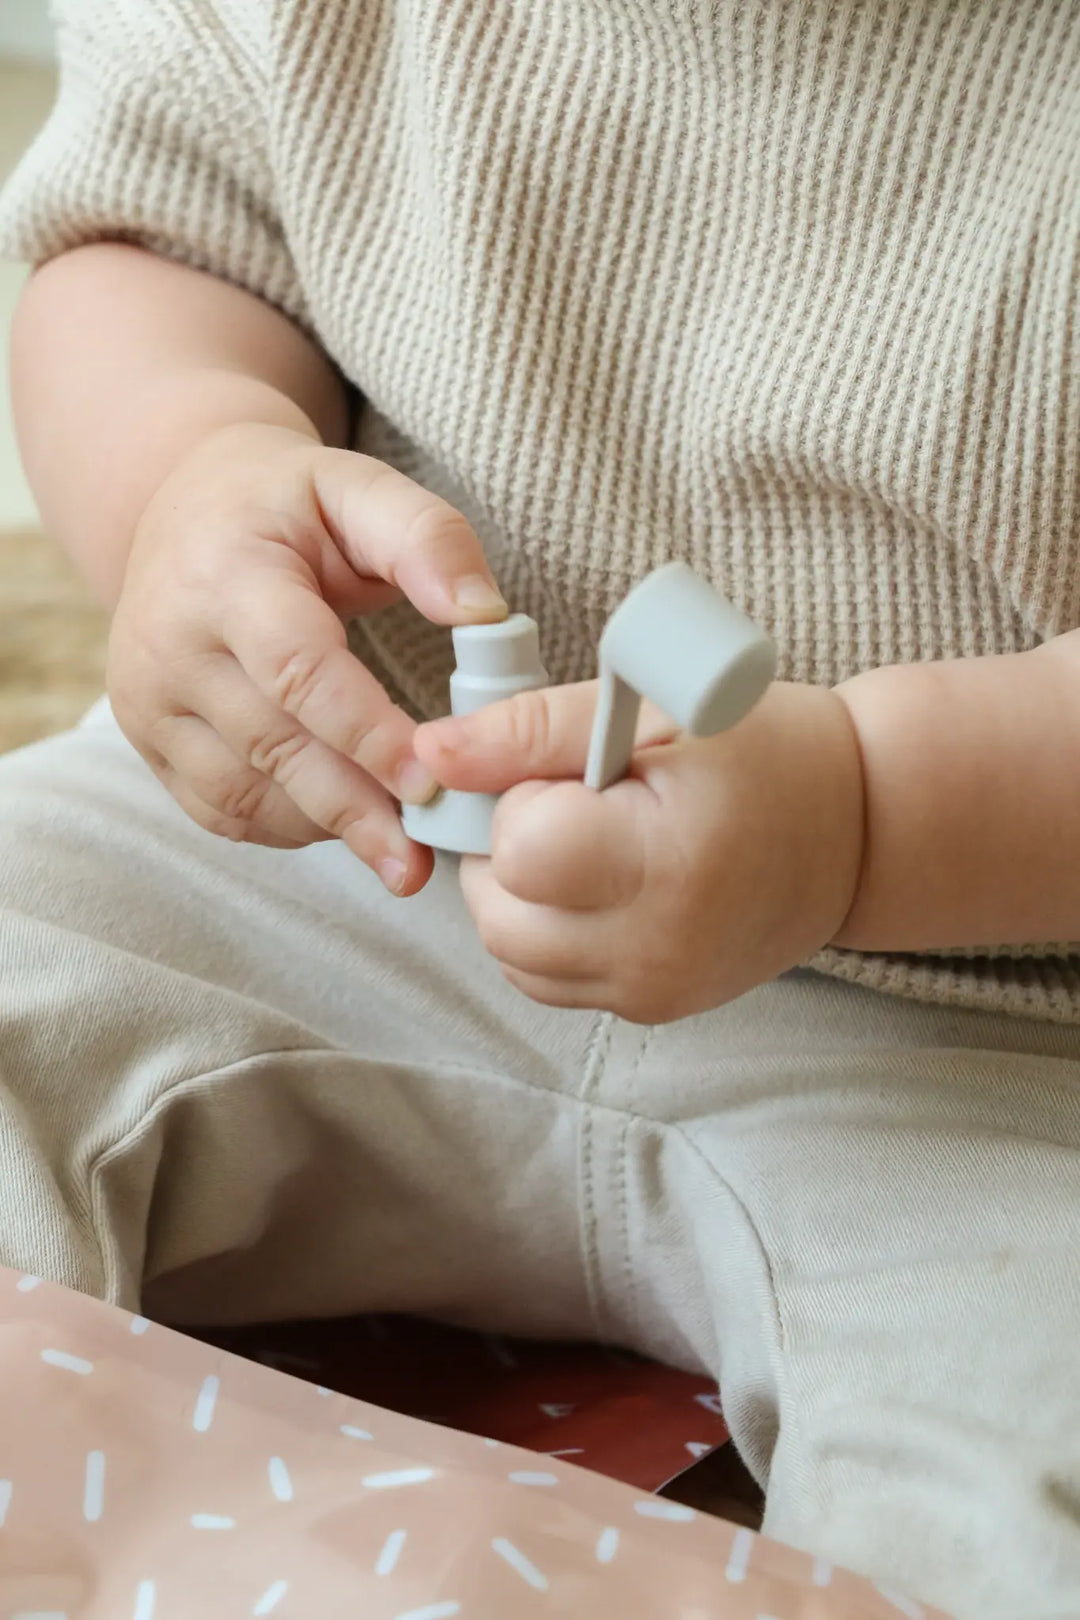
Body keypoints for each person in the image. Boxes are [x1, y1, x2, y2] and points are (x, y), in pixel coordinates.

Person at [3, 3, 1080, 1613]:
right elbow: (154, 246)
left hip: (985, 1013)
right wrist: (191, 478)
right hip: (325, 839)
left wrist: (863, 813)